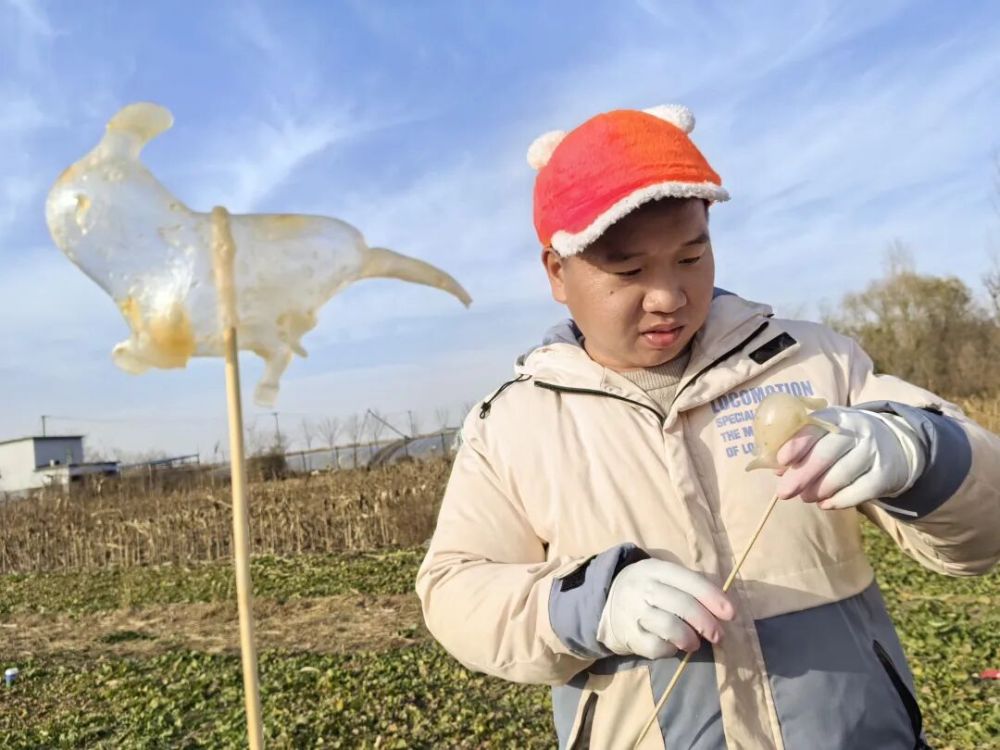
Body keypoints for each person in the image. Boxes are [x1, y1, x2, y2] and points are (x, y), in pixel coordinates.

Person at [415, 104, 1000, 749]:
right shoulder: (514, 423)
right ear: (557, 271)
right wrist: (588, 604)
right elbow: (456, 590)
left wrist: (924, 453)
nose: (669, 296)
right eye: (629, 271)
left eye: (692, 256)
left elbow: (985, 534)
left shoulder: (813, 362)